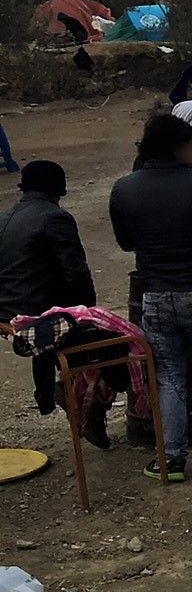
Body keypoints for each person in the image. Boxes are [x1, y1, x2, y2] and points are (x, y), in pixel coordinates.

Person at [110, 114, 192, 482]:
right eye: (190, 144)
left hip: (154, 296)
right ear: (177, 147)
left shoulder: (124, 188)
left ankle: (170, 459)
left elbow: (126, 243)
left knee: (168, 379)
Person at [0, 161, 103, 440]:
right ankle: (87, 403)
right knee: (108, 340)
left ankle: (53, 391)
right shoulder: (54, 217)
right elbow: (76, 271)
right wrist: (88, 312)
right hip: (36, 312)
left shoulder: (7, 216)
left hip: (9, 309)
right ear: (59, 188)